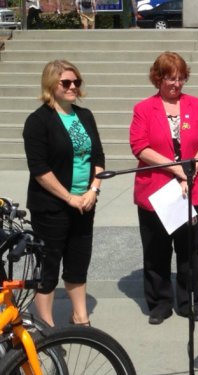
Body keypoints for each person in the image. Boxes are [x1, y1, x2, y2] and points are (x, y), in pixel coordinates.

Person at [129, 52, 198, 325]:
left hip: (192, 188)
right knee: (157, 251)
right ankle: (159, 303)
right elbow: (140, 147)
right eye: (170, 78)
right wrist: (177, 169)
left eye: (180, 78)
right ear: (158, 78)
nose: (176, 84)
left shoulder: (197, 106)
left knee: (190, 250)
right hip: (156, 192)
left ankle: (189, 301)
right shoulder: (144, 109)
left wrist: (190, 170)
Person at [23, 60, 105, 327]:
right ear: (51, 85)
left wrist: (93, 189)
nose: (73, 87)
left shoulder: (85, 115)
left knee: (78, 261)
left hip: (85, 202)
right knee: (48, 266)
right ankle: (46, 327)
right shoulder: (38, 121)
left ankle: (80, 318)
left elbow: (99, 157)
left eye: (76, 82)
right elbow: (39, 169)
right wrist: (68, 197)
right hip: (51, 207)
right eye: (66, 83)